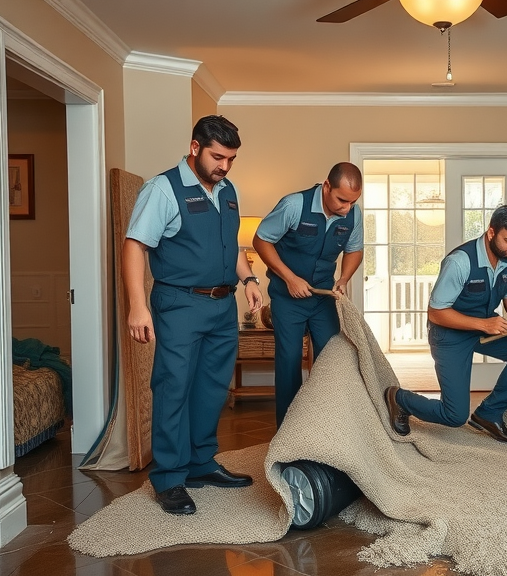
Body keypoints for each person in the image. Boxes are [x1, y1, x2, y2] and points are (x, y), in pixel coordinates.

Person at [123, 115, 263, 515]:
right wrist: (137, 304)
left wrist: (249, 278)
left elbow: (231, 244)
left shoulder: (227, 189)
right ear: (195, 147)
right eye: (219, 157)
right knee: (173, 387)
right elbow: (135, 246)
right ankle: (169, 477)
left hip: (223, 305)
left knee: (211, 389)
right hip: (180, 302)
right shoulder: (163, 189)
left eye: (232, 159)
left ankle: (201, 464)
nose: (225, 166)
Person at [384, 204, 507, 444]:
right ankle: (400, 399)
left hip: (484, 328)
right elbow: (436, 313)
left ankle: (488, 414)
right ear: (491, 233)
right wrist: (483, 324)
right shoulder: (460, 262)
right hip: (449, 335)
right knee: (454, 415)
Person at [253, 162, 364, 427]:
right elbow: (261, 240)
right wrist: (289, 278)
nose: (346, 208)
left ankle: (326, 427)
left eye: (352, 202)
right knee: (290, 361)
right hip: (287, 297)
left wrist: (344, 278)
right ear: (326, 186)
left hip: (322, 297)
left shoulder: (353, 214)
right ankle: (289, 432)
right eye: (341, 200)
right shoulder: (293, 206)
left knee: (332, 358)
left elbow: (355, 249)